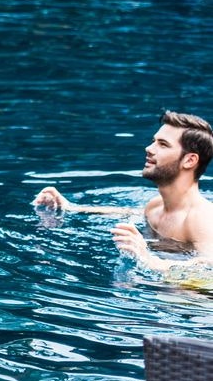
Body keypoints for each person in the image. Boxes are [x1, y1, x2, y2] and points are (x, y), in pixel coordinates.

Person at [33, 111, 213, 272]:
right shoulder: (155, 206)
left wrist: (149, 260)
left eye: (163, 144)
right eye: (153, 142)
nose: (149, 149)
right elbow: (130, 213)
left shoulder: (201, 218)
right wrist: (71, 207)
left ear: (189, 160)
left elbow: (208, 268)